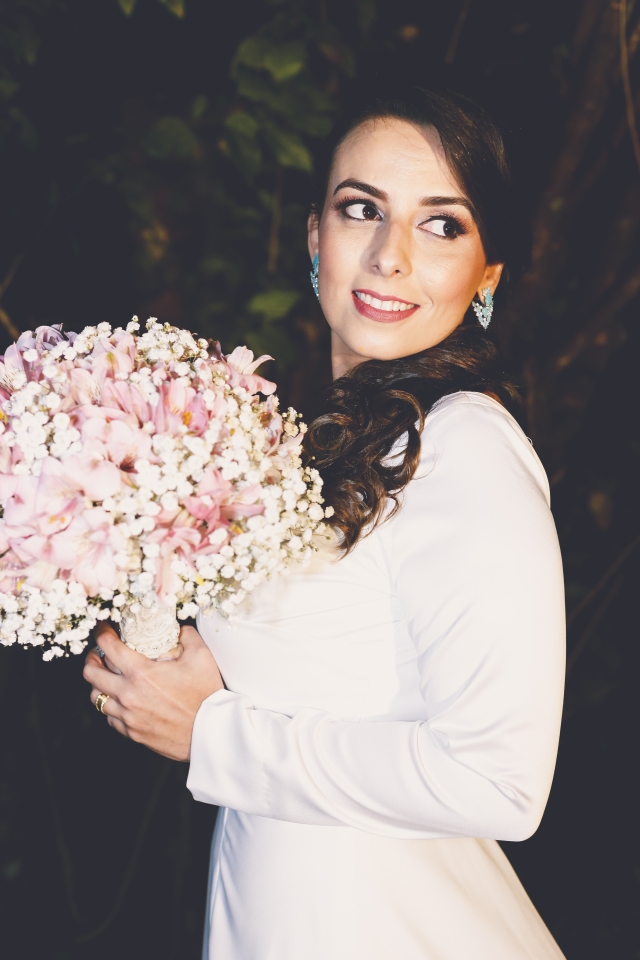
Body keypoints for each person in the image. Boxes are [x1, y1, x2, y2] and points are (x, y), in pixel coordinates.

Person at [84, 85, 567, 960]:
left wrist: (216, 735)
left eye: (441, 225)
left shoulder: (463, 447)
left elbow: (499, 782)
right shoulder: (324, 444)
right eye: (362, 210)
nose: (390, 256)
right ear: (316, 237)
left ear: (487, 274)